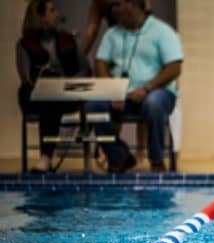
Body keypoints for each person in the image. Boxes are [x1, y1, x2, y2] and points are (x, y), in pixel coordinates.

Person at [87, 0, 183, 173]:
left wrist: (147, 88)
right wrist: (112, 90)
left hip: (155, 92)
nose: (112, 10)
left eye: (116, 5)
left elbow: (174, 67)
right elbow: (100, 63)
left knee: (154, 103)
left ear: (133, 4)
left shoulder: (162, 31)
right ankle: (120, 157)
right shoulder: (111, 34)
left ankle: (156, 160)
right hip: (120, 96)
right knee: (93, 105)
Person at [16, 0, 91, 174]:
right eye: (52, 10)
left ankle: (45, 158)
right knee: (47, 99)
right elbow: (26, 78)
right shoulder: (24, 45)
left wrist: (65, 83)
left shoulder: (67, 40)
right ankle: (46, 158)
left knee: (52, 100)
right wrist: (47, 83)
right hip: (35, 96)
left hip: (65, 94)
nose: (57, 14)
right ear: (40, 17)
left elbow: (85, 69)